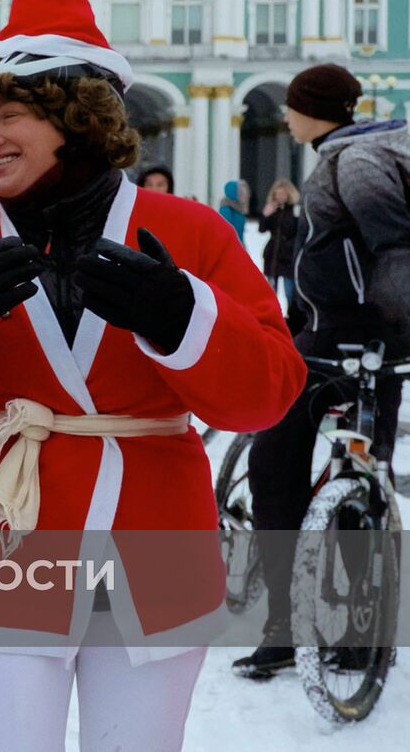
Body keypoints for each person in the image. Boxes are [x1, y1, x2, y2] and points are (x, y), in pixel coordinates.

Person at [0, 0, 303, 751]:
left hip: (157, 550)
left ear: (78, 117)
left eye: (11, 114)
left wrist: (183, 318)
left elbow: (269, 392)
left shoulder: (186, 233)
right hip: (6, 544)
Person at [237, 64, 410, 678]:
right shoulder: (362, 150)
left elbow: (392, 251)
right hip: (362, 344)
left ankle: (285, 626)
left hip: (345, 344)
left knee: (274, 462)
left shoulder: (357, 161)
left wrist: (394, 330)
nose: (285, 115)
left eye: (293, 104)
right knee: (363, 471)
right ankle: (360, 635)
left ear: (317, 109)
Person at [257, 178, 300, 310]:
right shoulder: (272, 210)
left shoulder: (295, 210)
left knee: (290, 292)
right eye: (278, 194)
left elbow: (297, 230)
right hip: (273, 255)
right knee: (270, 292)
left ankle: (292, 318)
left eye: (283, 194)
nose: (280, 197)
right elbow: (262, 229)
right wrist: (265, 215)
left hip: (288, 255)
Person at [218, 178, 250, 245]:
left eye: (246, 193)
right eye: (241, 193)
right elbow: (225, 233)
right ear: (234, 194)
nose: (245, 196)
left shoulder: (239, 209)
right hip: (230, 247)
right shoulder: (226, 209)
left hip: (238, 245)